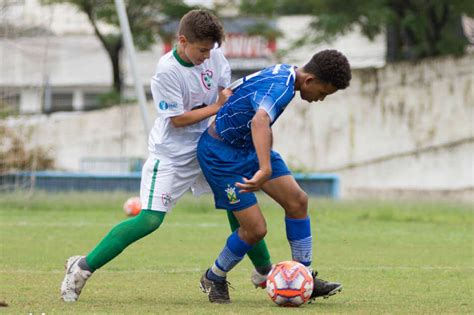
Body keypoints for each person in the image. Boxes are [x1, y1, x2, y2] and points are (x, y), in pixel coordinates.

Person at [60, 9, 273, 302]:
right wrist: (218, 108)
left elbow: (225, 91)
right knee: (149, 220)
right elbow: (178, 120)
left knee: (238, 206)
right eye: (201, 50)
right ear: (182, 40)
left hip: (212, 148)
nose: (206, 57)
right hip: (173, 155)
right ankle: (81, 268)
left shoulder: (214, 56)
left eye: (210, 51)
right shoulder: (166, 71)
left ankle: (266, 273)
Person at [197, 50, 352, 304]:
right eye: (323, 93)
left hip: (248, 149)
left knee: (298, 202)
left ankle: (304, 277)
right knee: (255, 229)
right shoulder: (281, 88)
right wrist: (265, 168)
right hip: (221, 155)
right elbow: (260, 121)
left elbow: (239, 90)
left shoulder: (284, 72)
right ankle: (214, 276)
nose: (321, 99)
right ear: (310, 80)